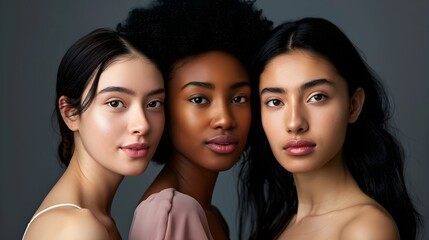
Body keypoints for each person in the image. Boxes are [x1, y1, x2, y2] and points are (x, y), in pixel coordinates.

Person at [239, 17, 421, 240]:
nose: (295, 123)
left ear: (353, 105)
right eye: (275, 102)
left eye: (317, 97)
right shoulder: (279, 225)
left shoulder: (366, 230)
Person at [117, 0, 272, 239]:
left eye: (239, 98)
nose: (224, 119)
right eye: (199, 99)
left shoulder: (206, 213)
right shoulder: (173, 214)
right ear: (162, 106)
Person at [22, 28, 165, 240]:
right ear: (70, 114)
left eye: (154, 103)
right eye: (115, 103)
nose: (142, 125)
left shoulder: (94, 220)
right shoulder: (77, 229)